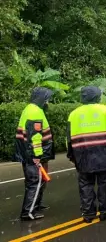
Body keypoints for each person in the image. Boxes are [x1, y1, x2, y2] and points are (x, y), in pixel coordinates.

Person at [66, 86, 106, 223]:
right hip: (103, 154)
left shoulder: (73, 114)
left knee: (85, 184)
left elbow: (69, 139)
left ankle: (88, 214)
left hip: (82, 156)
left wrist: (71, 156)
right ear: (97, 97)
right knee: (104, 184)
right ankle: (104, 212)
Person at [14, 87, 55, 221]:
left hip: (27, 152)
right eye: (46, 99)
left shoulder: (30, 109)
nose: (47, 102)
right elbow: (35, 136)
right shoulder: (35, 112)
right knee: (35, 182)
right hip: (33, 154)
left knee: (36, 181)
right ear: (41, 99)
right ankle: (28, 212)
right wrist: (37, 156)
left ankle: (35, 204)